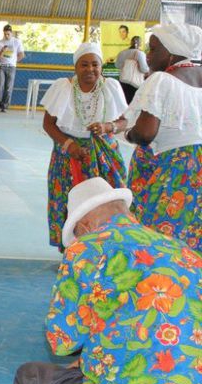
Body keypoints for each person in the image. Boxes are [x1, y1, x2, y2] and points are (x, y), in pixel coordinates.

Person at [15, 177, 202, 384]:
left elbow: (61, 341)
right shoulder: (186, 253)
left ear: (85, 225)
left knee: (31, 380)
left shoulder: (86, 249)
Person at [40, 42, 128, 251]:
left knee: (105, 197)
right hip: (68, 152)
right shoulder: (63, 88)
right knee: (68, 197)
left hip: (103, 150)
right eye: (84, 65)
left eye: (95, 65)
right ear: (75, 67)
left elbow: (124, 121)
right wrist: (69, 145)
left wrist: (108, 126)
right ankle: (71, 249)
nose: (90, 69)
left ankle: (105, 245)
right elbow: (48, 124)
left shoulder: (111, 87)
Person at [122, 23, 202, 251]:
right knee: (192, 234)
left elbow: (146, 133)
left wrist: (129, 134)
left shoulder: (162, 80)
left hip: (171, 170)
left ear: (171, 52)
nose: (148, 55)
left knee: (157, 237)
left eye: (154, 49)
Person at [0, 24, 25, 112]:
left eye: (8, 34)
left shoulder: (17, 42)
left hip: (11, 67)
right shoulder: (0, 43)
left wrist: (14, 61)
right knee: (0, 86)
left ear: (11, 33)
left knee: (8, 87)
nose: (7, 36)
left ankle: (5, 106)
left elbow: (22, 54)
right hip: (1, 66)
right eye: (5, 34)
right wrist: (2, 51)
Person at [115, 36, 148, 103]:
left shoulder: (122, 53)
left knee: (124, 102)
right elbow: (144, 69)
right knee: (133, 104)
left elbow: (117, 66)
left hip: (123, 81)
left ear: (131, 42)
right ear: (140, 43)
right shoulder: (140, 53)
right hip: (134, 84)